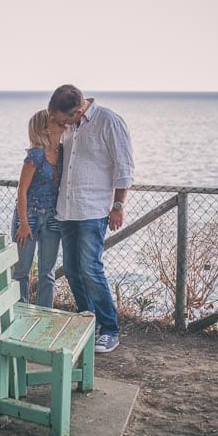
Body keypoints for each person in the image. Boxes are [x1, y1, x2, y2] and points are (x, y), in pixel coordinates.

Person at [48, 84, 135, 353]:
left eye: (62, 118)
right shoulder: (69, 126)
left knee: (91, 268)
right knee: (72, 270)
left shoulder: (108, 121)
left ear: (77, 110)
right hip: (67, 209)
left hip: (93, 210)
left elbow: (125, 167)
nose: (59, 123)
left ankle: (110, 329)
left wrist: (118, 205)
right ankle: (89, 322)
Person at [11, 110, 65, 307]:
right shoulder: (36, 155)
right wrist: (24, 223)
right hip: (30, 216)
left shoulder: (63, 153)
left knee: (47, 273)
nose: (60, 122)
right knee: (21, 271)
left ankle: (44, 318)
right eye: (54, 121)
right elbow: (22, 190)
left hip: (52, 217)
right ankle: (19, 316)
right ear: (44, 129)